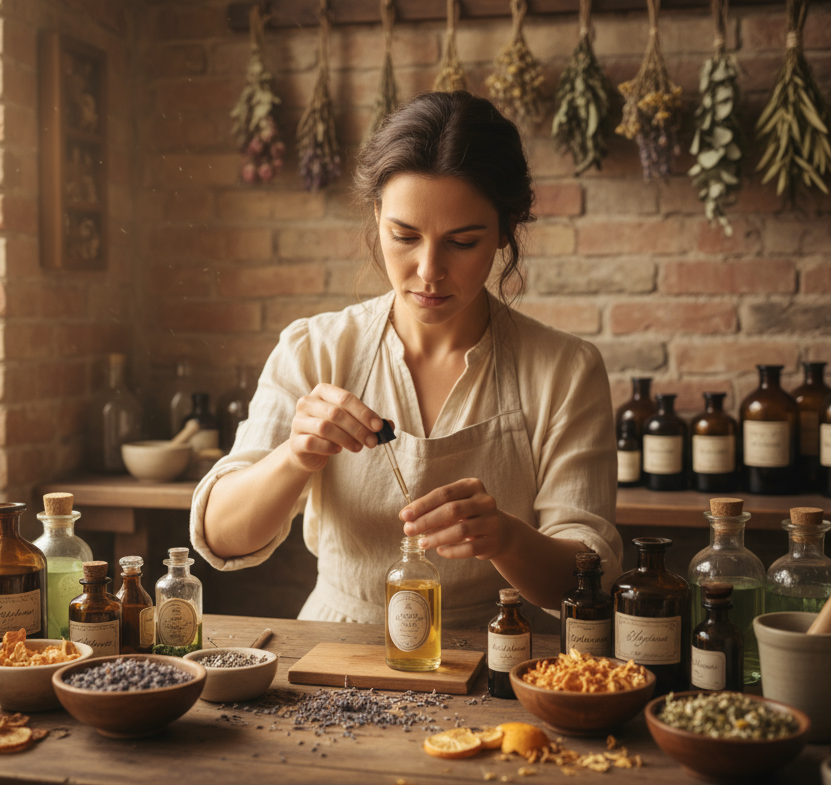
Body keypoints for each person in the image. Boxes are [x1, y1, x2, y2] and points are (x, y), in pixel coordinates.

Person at [191, 91, 621, 629]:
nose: (429, 271)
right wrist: (294, 457)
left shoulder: (565, 371)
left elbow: (588, 578)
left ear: (505, 229)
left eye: (462, 242)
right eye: (404, 236)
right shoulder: (315, 349)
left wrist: (507, 539)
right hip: (338, 643)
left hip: (501, 648)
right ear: (376, 216)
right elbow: (221, 536)